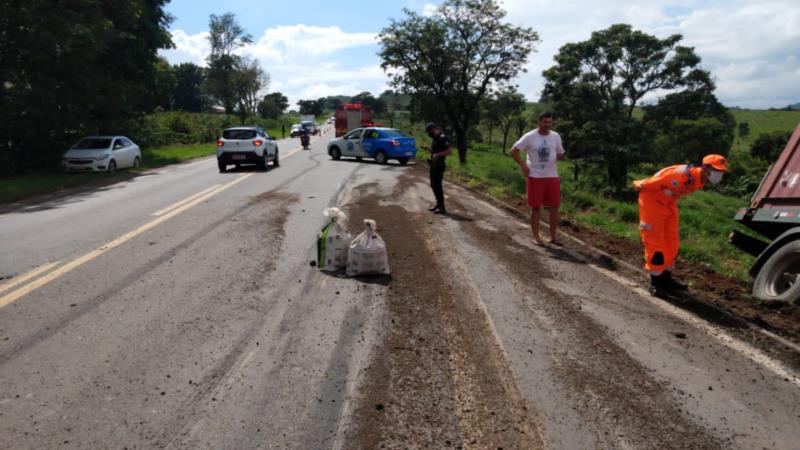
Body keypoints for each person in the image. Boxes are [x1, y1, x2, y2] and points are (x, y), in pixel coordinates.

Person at [633, 154, 728, 298]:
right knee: (655, 241)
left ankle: (666, 279)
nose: (718, 174)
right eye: (716, 170)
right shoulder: (679, 175)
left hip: (668, 202)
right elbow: (651, 183)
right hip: (651, 200)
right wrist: (640, 184)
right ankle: (656, 283)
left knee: (672, 242)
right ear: (705, 168)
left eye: (721, 171)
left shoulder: (698, 178)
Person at [511, 112, 566, 246]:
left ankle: (553, 237)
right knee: (536, 208)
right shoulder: (530, 136)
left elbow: (561, 153)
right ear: (539, 122)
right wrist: (524, 166)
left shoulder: (555, 136)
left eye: (550, 122)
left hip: (552, 176)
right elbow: (514, 151)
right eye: (545, 122)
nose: (547, 125)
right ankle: (537, 237)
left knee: (554, 207)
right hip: (535, 176)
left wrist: (561, 156)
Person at [424, 123, 452, 214]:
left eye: (430, 131)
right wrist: (428, 149)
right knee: (433, 185)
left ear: (435, 129)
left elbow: (449, 151)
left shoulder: (443, 138)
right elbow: (435, 152)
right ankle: (438, 204)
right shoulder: (435, 139)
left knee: (438, 186)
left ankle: (442, 208)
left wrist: (437, 155)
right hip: (433, 165)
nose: (429, 134)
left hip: (439, 166)